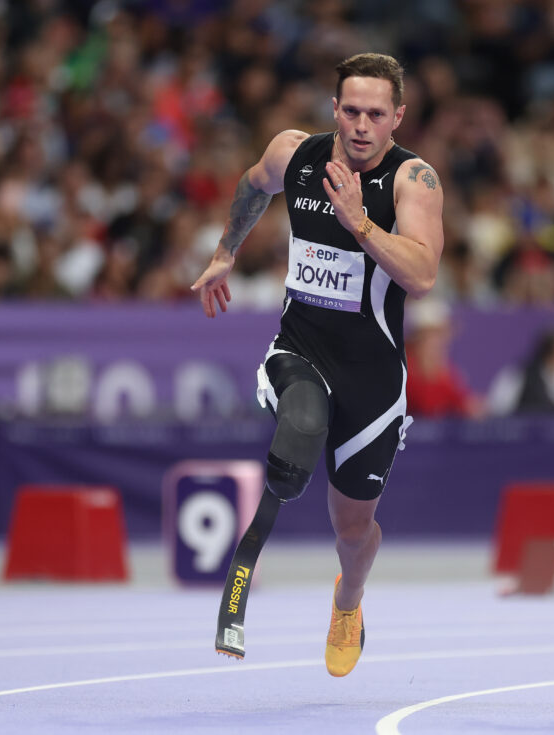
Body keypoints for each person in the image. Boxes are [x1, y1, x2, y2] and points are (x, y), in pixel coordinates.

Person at [191, 53, 444, 676]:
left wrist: (357, 221)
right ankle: (245, 571)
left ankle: (348, 600)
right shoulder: (295, 154)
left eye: (376, 114)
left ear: (397, 117)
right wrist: (226, 251)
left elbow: (423, 275)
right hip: (300, 348)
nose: (361, 125)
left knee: (354, 530)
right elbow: (254, 185)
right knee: (300, 421)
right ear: (334, 109)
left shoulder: (414, 180)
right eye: (351, 110)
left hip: (373, 380)